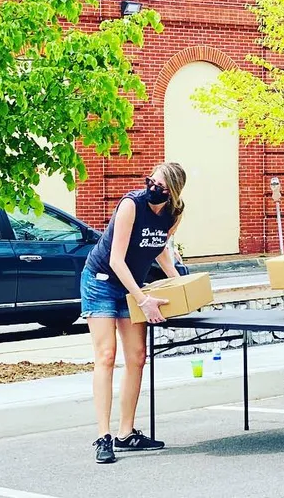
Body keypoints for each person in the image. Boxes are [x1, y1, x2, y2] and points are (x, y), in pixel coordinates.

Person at [81, 162, 187, 464]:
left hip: (132, 285)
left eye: (161, 186)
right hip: (100, 281)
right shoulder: (131, 204)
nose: (153, 188)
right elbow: (116, 259)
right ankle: (103, 437)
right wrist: (142, 299)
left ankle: (125, 433)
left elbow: (159, 246)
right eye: (151, 182)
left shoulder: (174, 213)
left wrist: (179, 282)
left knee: (137, 356)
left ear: (173, 192)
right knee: (106, 355)